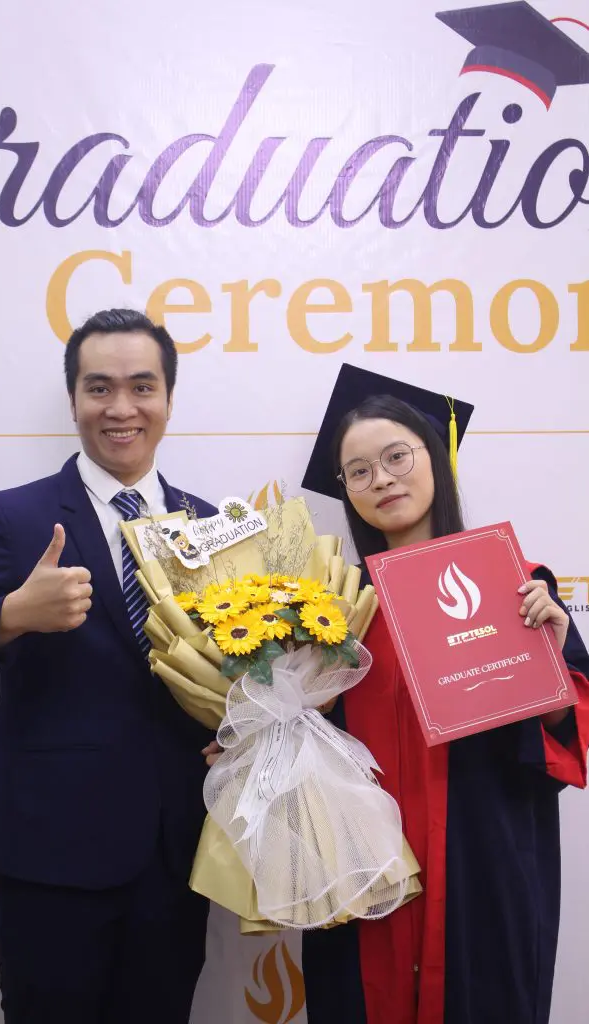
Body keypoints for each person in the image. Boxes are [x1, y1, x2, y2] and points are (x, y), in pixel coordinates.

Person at [0, 308, 216, 1023]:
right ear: (73, 400)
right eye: (98, 387)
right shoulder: (13, 517)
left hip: (177, 851)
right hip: (50, 853)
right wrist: (11, 614)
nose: (121, 407)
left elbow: (236, 672)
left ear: (169, 399)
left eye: (142, 387)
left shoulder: (209, 525)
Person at [298, 363, 589, 1024]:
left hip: (482, 861)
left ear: (436, 456)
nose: (382, 479)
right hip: (364, 870)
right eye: (359, 471)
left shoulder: (516, 585)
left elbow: (564, 739)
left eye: (396, 456)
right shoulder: (333, 610)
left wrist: (547, 671)